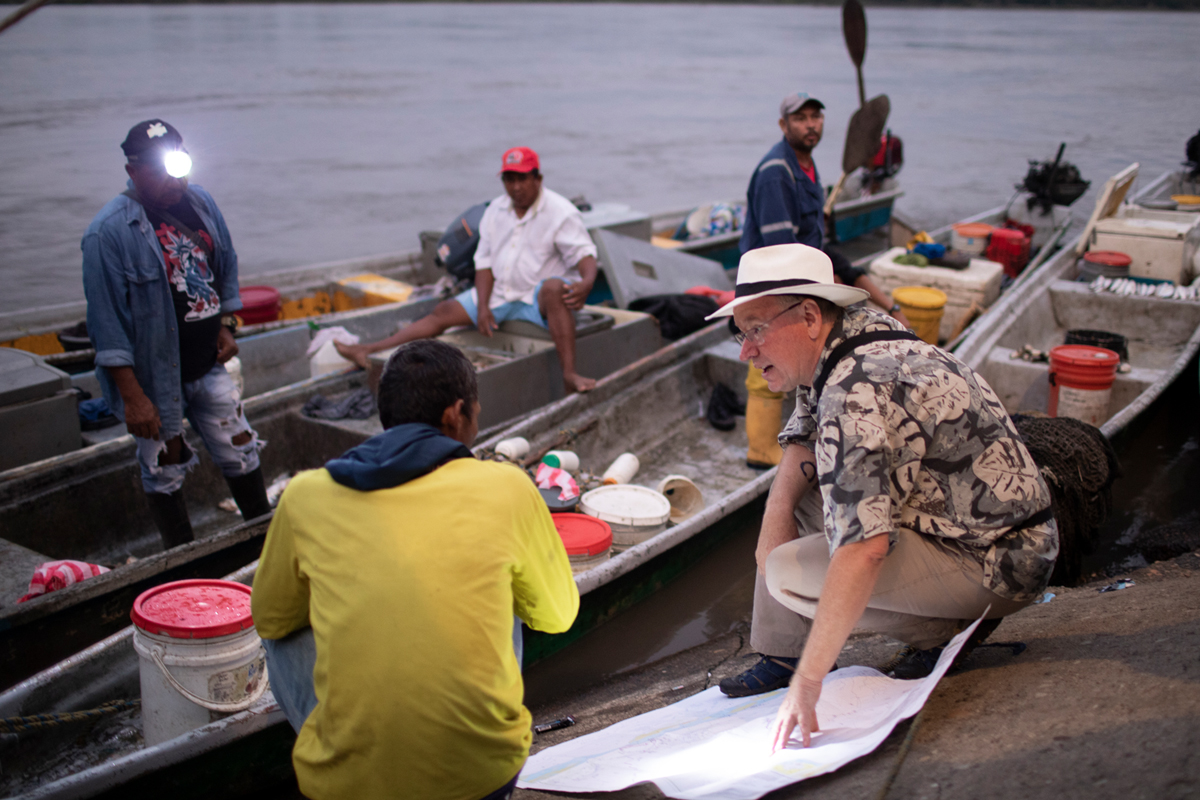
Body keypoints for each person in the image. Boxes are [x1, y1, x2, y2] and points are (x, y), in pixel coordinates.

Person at [713, 244, 1057, 725]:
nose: (747, 350)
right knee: (794, 506)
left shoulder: (856, 389)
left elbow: (865, 547)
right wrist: (775, 520)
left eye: (756, 330)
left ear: (809, 316)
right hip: (972, 524)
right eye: (740, 334)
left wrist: (809, 686)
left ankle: (944, 632)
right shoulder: (854, 334)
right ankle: (785, 650)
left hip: (1002, 559)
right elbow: (803, 434)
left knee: (788, 572)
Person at [251, 339, 580, 800]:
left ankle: (337, 742)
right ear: (455, 413)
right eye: (476, 411)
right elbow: (557, 616)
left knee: (280, 620)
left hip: (345, 787)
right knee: (511, 594)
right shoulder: (507, 488)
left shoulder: (306, 495)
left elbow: (269, 620)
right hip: (480, 778)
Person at [82, 119, 270, 549]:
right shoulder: (107, 233)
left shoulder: (200, 202)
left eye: (180, 165)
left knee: (240, 447)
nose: (175, 179)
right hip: (154, 382)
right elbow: (106, 326)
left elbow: (226, 264)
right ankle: (183, 560)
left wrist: (225, 322)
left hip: (208, 363)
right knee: (164, 468)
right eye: (160, 169)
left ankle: (264, 539)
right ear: (132, 172)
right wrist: (133, 398)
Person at [337, 146, 600, 393]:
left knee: (556, 288)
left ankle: (569, 374)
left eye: (522, 179)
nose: (516, 187)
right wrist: (483, 306)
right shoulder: (495, 210)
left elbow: (584, 254)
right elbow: (483, 262)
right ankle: (370, 349)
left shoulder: (561, 212)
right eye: (509, 180)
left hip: (536, 299)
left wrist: (587, 281)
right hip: (501, 294)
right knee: (443, 311)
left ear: (538, 178)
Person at [738, 92, 908, 469]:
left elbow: (818, 245)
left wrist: (871, 292)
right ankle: (761, 451)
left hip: (802, 278)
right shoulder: (775, 174)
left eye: (816, 117)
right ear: (784, 126)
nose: (811, 124)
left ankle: (805, 431)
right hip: (771, 283)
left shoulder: (808, 168)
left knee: (803, 355)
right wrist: (831, 289)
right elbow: (782, 250)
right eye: (800, 118)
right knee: (763, 350)